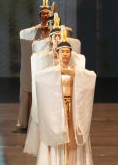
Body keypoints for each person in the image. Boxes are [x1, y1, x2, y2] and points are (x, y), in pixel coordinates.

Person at [34, 35, 97, 165]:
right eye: (62, 52)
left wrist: (73, 73)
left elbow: (91, 76)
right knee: (58, 142)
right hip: (57, 111)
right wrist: (59, 71)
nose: (65, 55)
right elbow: (39, 77)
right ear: (57, 53)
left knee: (71, 143)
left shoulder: (76, 71)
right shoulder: (52, 71)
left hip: (71, 110)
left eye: (68, 52)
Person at [23, 18, 83, 156]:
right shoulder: (43, 55)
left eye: (58, 36)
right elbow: (39, 71)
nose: (56, 38)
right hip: (50, 95)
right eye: (54, 36)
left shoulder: (68, 54)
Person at [17, 0, 53, 130]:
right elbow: (24, 34)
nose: (45, 15)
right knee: (30, 89)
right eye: (43, 13)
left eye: (47, 13)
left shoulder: (53, 29)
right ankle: (29, 121)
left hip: (48, 62)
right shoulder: (34, 31)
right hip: (36, 62)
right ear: (40, 16)